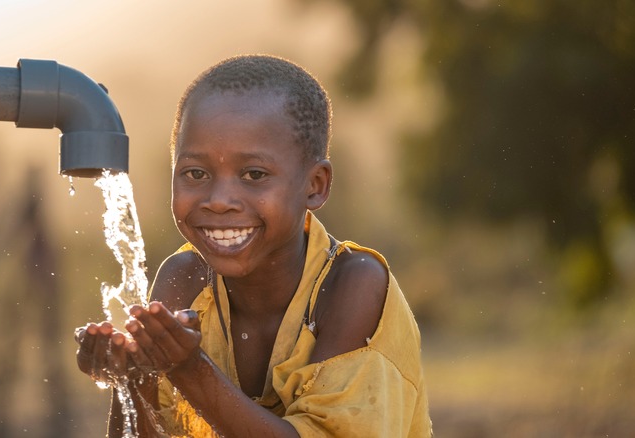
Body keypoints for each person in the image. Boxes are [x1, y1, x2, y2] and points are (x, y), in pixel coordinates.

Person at [75, 54, 432, 437]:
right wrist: (133, 376)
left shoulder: (352, 286)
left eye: (254, 174)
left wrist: (189, 369)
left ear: (315, 185)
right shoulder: (184, 282)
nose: (219, 199)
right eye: (196, 173)